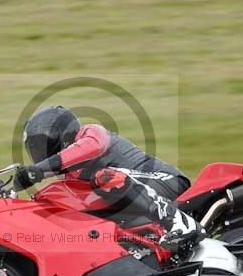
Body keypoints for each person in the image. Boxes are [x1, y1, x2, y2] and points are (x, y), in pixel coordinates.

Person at [14, 105, 206, 252]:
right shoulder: (71, 172)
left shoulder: (91, 133)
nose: (39, 153)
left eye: (41, 145)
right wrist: (16, 190)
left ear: (59, 136)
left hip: (166, 181)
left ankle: (181, 224)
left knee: (105, 177)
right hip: (137, 199)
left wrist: (36, 171)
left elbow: (88, 149)